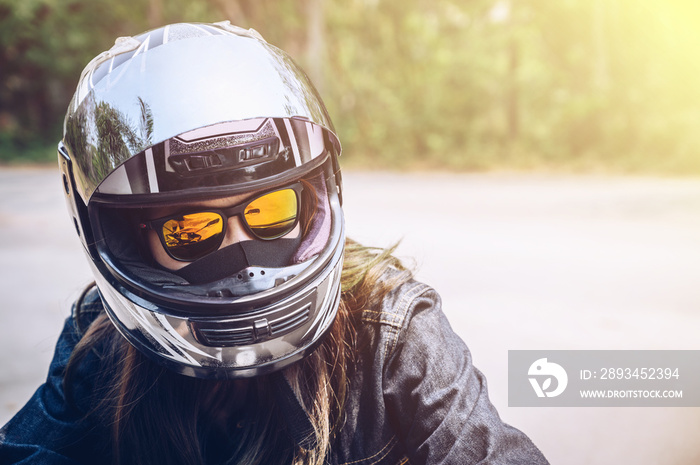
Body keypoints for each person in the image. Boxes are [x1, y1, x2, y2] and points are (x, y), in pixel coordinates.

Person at [0, 22, 548, 465]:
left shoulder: (390, 326)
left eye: (268, 212)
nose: (244, 258)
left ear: (309, 205)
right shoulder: (100, 339)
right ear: (131, 241)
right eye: (192, 231)